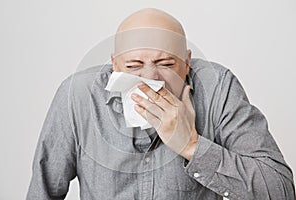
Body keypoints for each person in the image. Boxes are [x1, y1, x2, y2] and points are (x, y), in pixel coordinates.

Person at [26, 8, 295, 200]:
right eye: (133, 66)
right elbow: (43, 190)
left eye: (166, 64)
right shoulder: (78, 95)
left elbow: (280, 191)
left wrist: (191, 145)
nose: (150, 78)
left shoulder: (218, 88)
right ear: (114, 64)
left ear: (187, 62)